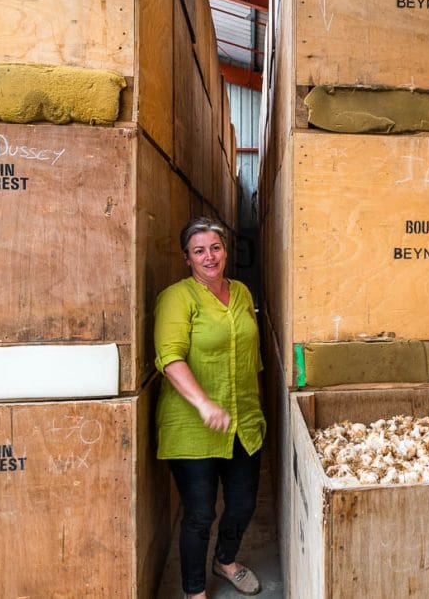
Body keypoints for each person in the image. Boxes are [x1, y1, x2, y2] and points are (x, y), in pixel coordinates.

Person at [154, 217, 265, 598]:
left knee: (243, 503)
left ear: (225, 250)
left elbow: (254, 357)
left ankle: (226, 559)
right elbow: (169, 358)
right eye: (198, 250)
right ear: (187, 258)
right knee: (200, 515)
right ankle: (195, 590)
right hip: (192, 424)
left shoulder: (243, 294)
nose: (209, 256)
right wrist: (203, 403)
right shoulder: (177, 297)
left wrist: (257, 408)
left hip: (242, 421)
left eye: (215, 247)